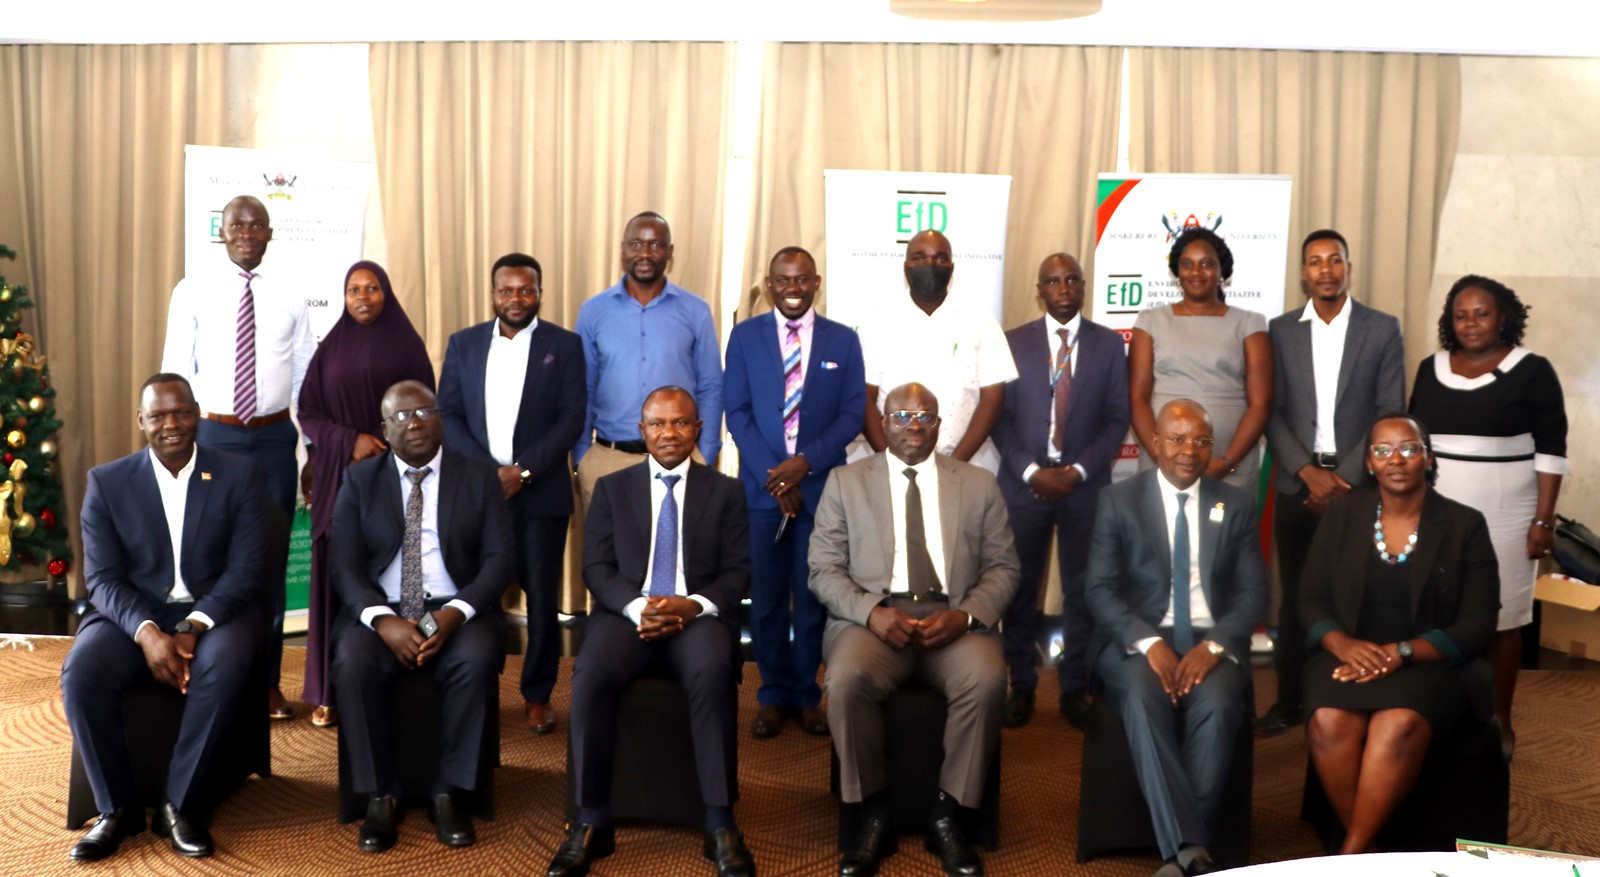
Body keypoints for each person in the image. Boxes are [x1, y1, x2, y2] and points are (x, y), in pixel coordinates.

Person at [810, 382, 1019, 877]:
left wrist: (966, 616)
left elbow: (1004, 568)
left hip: (954, 616)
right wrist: (870, 611)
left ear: (939, 426)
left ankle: (948, 814)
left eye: (925, 417)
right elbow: (822, 568)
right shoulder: (845, 481)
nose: (914, 426)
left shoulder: (977, 484)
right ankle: (872, 811)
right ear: (883, 425)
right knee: (844, 681)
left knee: (988, 680)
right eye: (901, 416)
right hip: (875, 619)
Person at [62, 374, 269, 861]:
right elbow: (104, 579)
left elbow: (248, 570)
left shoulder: (240, 475)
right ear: (141, 422)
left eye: (181, 412)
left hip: (218, 610)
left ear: (197, 413)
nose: (171, 424)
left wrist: (194, 625)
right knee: (82, 671)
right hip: (133, 614)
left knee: (224, 666)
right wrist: (149, 632)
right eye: (158, 415)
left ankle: (182, 804)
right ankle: (116, 809)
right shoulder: (107, 483)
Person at [548, 387, 754, 877]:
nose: (669, 433)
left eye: (680, 423)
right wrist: (640, 606)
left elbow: (738, 573)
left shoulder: (726, 491)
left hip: (696, 617)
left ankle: (720, 821)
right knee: (591, 672)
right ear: (642, 432)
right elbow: (595, 568)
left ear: (698, 429)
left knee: (711, 672)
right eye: (658, 424)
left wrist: (692, 605)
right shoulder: (614, 489)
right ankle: (590, 820)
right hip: (628, 616)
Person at [1300, 413, 1500, 855]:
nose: (1396, 459)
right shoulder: (1342, 515)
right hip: (1350, 653)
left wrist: (1403, 652)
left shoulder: (1464, 525)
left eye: (1409, 449)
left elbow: (1479, 624)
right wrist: (1344, 645)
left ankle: (1350, 857)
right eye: (1382, 450)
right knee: (1329, 720)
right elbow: (1311, 600)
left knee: (1397, 724)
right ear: (1369, 462)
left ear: (1427, 458)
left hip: (1430, 661)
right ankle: (1372, 855)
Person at [1085, 399, 1267, 877]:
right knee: (1145, 699)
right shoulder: (1118, 500)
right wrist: (1150, 644)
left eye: (1201, 441)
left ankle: (1182, 852)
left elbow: (1253, 594)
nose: (1189, 450)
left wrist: (1214, 646)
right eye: (1178, 439)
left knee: (1222, 702)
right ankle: (1194, 849)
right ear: (1156, 443)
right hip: (1139, 641)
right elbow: (1099, 590)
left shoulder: (1236, 503)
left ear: (1212, 448)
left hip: (1212, 641)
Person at [329, 380, 512, 852]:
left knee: (473, 661)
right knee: (351, 661)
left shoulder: (478, 477)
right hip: (384, 610)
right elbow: (344, 564)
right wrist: (380, 619)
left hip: (457, 608)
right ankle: (379, 794)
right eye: (401, 416)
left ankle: (449, 792)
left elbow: (499, 560)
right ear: (384, 429)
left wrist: (455, 613)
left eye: (424, 412)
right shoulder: (359, 480)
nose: (414, 423)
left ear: (441, 419)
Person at [160, 194, 315, 719]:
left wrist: (310, 449)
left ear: (270, 233)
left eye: (257, 225)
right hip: (214, 438)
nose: (247, 232)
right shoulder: (192, 291)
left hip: (273, 440)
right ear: (221, 232)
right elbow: (176, 372)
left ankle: (266, 682)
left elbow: (303, 377)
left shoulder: (291, 293)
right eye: (237, 225)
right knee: (210, 558)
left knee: (268, 561)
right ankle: (208, 676)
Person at [1408, 274, 1567, 756]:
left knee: (1502, 618)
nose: (1470, 323)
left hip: (1507, 512)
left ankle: (1502, 719)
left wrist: (1543, 520)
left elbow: (1552, 451)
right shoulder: (1428, 368)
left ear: (1504, 318)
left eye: (1481, 313)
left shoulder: (1533, 370)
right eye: (1460, 314)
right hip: (1437, 511)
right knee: (1438, 610)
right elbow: (1415, 443)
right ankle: (1436, 714)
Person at [1258, 230, 1405, 737]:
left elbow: (1390, 411)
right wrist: (1307, 473)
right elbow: (1270, 411)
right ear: (1303, 272)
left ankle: (1354, 691)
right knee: (1297, 596)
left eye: (1334, 260)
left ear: (1348, 267)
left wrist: (1341, 477)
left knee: (1359, 593)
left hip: (1358, 485)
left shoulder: (1382, 329)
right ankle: (1290, 701)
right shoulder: (1278, 332)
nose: (1325, 270)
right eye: (1315, 262)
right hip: (1297, 484)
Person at [438, 252, 586, 735]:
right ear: (493, 293)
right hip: (478, 497)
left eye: (526, 290)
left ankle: (537, 694)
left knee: (541, 599)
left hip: (540, 495)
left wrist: (520, 473)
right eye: (507, 290)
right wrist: (490, 476)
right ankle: (479, 685)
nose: (516, 299)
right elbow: (449, 415)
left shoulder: (564, 346)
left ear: (539, 293)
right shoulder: (463, 345)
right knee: (478, 591)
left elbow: (570, 419)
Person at [724, 245, 865, 739]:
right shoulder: (744, 338)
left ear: (816, 283)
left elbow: (852, 414)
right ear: (768, 283)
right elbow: (736, 412)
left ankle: (806, 693)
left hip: (821, 491)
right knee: (764, 598)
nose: (792, 287)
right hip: (764, 493)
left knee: (812, 598)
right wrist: (775, 475)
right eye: (782, 279)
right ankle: (772, 694)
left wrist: (804, 465)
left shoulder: (843, 341)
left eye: (802, 279)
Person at [991, 252, 1131, 729]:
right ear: (1040, 290)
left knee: (1083, 590)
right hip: (1025, 484)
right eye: (1053, 280)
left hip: (1083, 489)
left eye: (1072, 279)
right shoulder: (1012, 343)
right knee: (1019, 589)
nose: (1064, 287)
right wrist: (1032, 472)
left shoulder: (1110, 346)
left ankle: (1075, 687)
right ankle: (1022, 684)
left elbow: (1117, 419)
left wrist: (1078, 472)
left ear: (1084, 287)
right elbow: (1000, 420)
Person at [297, 261, 435, 729]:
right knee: (339, 571)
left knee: (384, 567)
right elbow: (309, 411)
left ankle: (387, 670)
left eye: (372, 288)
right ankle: (328, 689)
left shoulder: (406, 344)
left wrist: (389, 443)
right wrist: (346, 441)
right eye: (354, 289)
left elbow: (424, 409)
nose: (362, 297)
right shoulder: (331, 345)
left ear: (386, 293)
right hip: (342, 475)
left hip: (394, 477)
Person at [573, 212, 723, 515]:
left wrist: (705, 453)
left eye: (655, 245)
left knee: (678, 559)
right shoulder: (593, 311)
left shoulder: (696, 311)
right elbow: (582, 387)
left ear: (670, 252)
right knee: (609, 560)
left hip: (680, 459)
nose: (644, 253)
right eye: (636, 244)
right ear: (622, 249)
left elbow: (710, 385)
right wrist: (581, 458)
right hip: (609, 461)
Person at [859, 230, 1018, 475]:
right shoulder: (877, 322)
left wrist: (954, 466)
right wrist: (891, 464)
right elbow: (864, 399)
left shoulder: (980, 322)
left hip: (964, 465)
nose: (930, 264)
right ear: (906, 267)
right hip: (888, 468)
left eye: (940, 258)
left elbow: (993, 400)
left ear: (952, 268)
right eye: (919, 258)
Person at [1129, 228, 1271, 492]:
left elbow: (1260, 404)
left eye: (1207, 264)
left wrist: (1226, 463)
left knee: (1228, 533)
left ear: (1221, 271)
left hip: (1230, 468)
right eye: (1187, 265)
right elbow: (1137, 398)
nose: (1196, 272)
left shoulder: (1250, 323)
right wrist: (1162, 458)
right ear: (1177, 271)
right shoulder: (1150, 321)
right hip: (1162, 466)